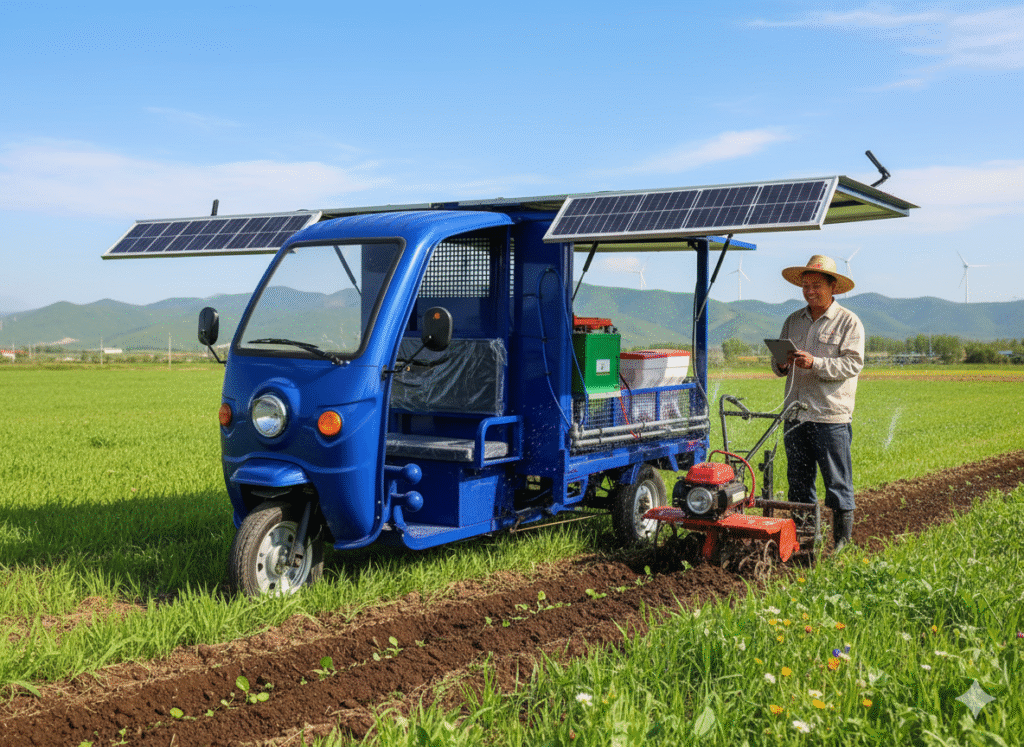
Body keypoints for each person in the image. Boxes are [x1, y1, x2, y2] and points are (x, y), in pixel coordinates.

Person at [771, 255, 864, 552]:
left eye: (816, 286)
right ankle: (805, 540)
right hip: (795, 414)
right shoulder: (793, 320)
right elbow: (777, 365)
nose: (810, 291)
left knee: (837, 483)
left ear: (833, 287)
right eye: (805, 286)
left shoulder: (848, 322)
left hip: (829, 417)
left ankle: (841, 544)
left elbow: (853, 364)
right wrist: (782, 363)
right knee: (798, 483)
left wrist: (816, 363)